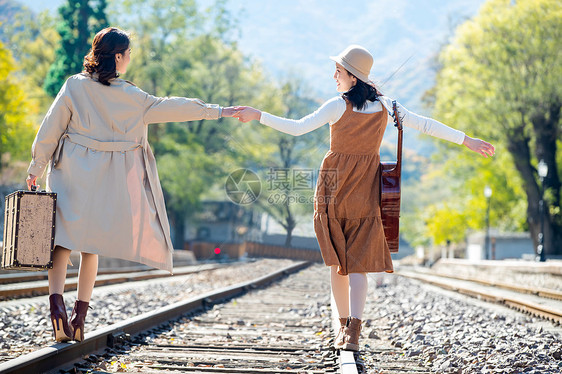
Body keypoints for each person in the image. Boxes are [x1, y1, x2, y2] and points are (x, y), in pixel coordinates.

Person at [234, 45, 495, 351]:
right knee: (357, 265)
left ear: (353, 78)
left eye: (339, 71)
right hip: (365, 191)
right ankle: (353, 332)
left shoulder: (337, 106)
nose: (335, 76)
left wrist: (258, 115)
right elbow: (426, 125)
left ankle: (343, 326)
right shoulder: (388, 107)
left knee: (337, 264)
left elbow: (296, 128)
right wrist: (467, 140)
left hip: (333, 190)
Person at [26, 27, 238, 343]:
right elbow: (176, 106)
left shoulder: (74, 86)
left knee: (61, 242)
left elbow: (50, 128)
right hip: (105, 180)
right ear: (119, 57)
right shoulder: (133, 97)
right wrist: (219, 111)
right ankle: (79, 317)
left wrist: (35, 166)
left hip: (69, 172)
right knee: (90, 247)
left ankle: (57, 309)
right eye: (129, 54)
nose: (130, 59)